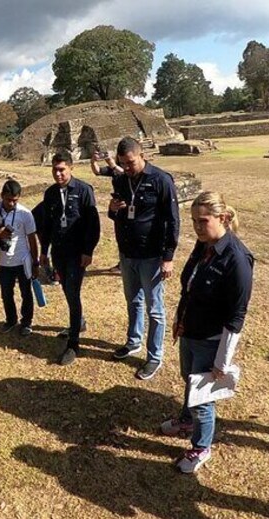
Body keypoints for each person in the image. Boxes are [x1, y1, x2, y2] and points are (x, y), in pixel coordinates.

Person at [160, 191, 253, 473]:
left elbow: (237, 316)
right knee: (187, 380)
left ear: (223, 218)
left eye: (203, 221)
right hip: (190, 331)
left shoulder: (237, 259)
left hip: (211, 340)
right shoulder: (205, 245)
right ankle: (185, 420)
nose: (198, 227)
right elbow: (190, 285)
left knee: (203, 400)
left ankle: (201, 447)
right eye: (194, 221)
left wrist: (221, 360)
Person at [108, 137, 180, 381]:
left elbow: (173, 220)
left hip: (151, 255)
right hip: (127, 254)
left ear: (141, 156)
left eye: (130, 163)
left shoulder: (160, 180)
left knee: (155, 309)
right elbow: (114, 213)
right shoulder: (120, 179)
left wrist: (168, 257)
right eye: (122, 164)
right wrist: (112, 208)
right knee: (133, 301)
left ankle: (154, 356)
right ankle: (134, 341)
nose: (126, 168)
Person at [37, 150, 100, 366]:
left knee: (73, 292)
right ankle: (78, 322)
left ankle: (73, 344)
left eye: (62, 169)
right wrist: (44, 251)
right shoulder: (50, 193)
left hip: (77, 253)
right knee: (67, 289)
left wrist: (88, 251)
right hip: (59, 252)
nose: (58, 174)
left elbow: (93, 224)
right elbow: (45, 226)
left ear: (71, 168)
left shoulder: (83, 190)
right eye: (54, 170)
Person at [0, 180, 39, 336]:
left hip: (22, 260)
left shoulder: (25, 214)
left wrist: (35, 262)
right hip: (4, 262)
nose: (12, 203)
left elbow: (32, 239)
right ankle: (11, 320)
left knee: (26, 293)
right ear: (2, 196)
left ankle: (26, 322)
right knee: (6, 294)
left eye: (15, 200)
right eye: (8, 199)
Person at [91, 149, 124, 274]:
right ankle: (123, 264)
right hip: (117, 206)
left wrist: (112, 164)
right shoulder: (115, 169)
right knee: (120, 236)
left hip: (129, 206)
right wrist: (93, 161)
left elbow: (125, 173)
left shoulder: (128, 169)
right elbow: (97, 171)